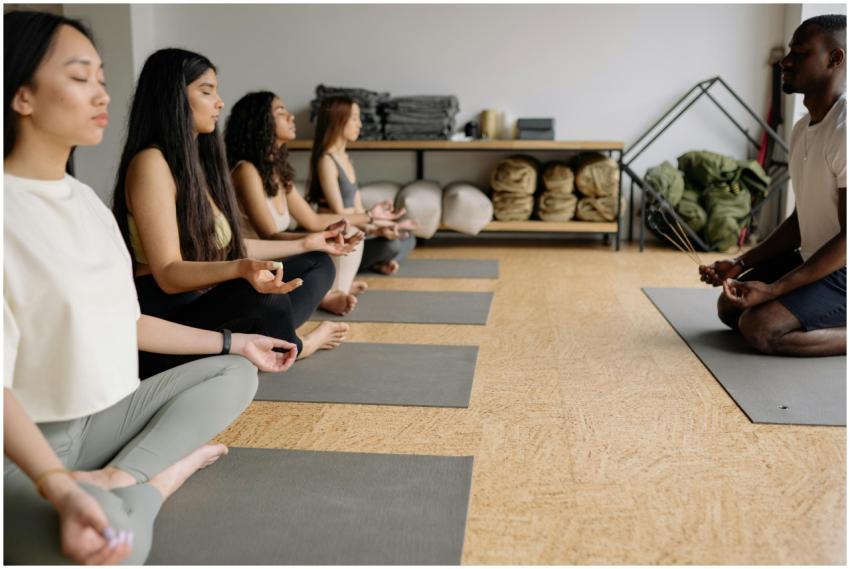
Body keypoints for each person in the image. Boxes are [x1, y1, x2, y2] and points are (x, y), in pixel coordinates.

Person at [4, 12, 296, 564]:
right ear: (21, 96)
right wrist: (56, 484)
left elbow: (128, 324)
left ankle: (120, 476)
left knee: (236, 371)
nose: (102, 94)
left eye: (102, 78)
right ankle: (160, 480)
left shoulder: (84, 203)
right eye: (79, 76)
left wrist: (237, 343)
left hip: (92, 422)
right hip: (17, 451)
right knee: (112, 545)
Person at [112, 50, 358, 378]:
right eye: (206, 91)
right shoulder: (151, 163)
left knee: (317, 263)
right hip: (169, 318)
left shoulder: (199, 163)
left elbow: (233, 247)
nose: (220, 102)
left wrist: (308, 242)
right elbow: (168, 275)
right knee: (263, 298)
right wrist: (241, 269)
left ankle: (270, 340)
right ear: (173, 97)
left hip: (205, 298)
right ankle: (297, 345)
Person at [699, 14, 846, 357]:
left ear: (834, 59)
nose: (785, 60)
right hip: (815, 259)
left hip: (844, 269)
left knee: (760, 327)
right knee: (730, 306)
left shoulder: (845, 131)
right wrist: (740, 262)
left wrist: (774, 289)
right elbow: (800, 221)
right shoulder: (802, 128)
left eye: (800, 52)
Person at [225, 92, 405, 314]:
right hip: (258, 262)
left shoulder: (278, 173)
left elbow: (313, 219)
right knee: (322, 260)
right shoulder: (246, 171)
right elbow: (269, 236)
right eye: (281, 113)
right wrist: (316, 241)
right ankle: (330, 294)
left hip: (280, 254)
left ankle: (332, 291)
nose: (291, 117)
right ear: (259, 123)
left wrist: (369, 217)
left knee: (350, 236)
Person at [307, 96, 417, 275]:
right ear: (338, 120)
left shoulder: (345, 158)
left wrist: (388, 226)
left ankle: (378, 262)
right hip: (342, 237)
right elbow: (340, 215)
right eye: (354, 118)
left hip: (356, 229)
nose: (359, 124)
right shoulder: (326, 161)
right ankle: (378, 261)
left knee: (408, 238)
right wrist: (376, 227)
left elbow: (359, 210)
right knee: (391, 245)